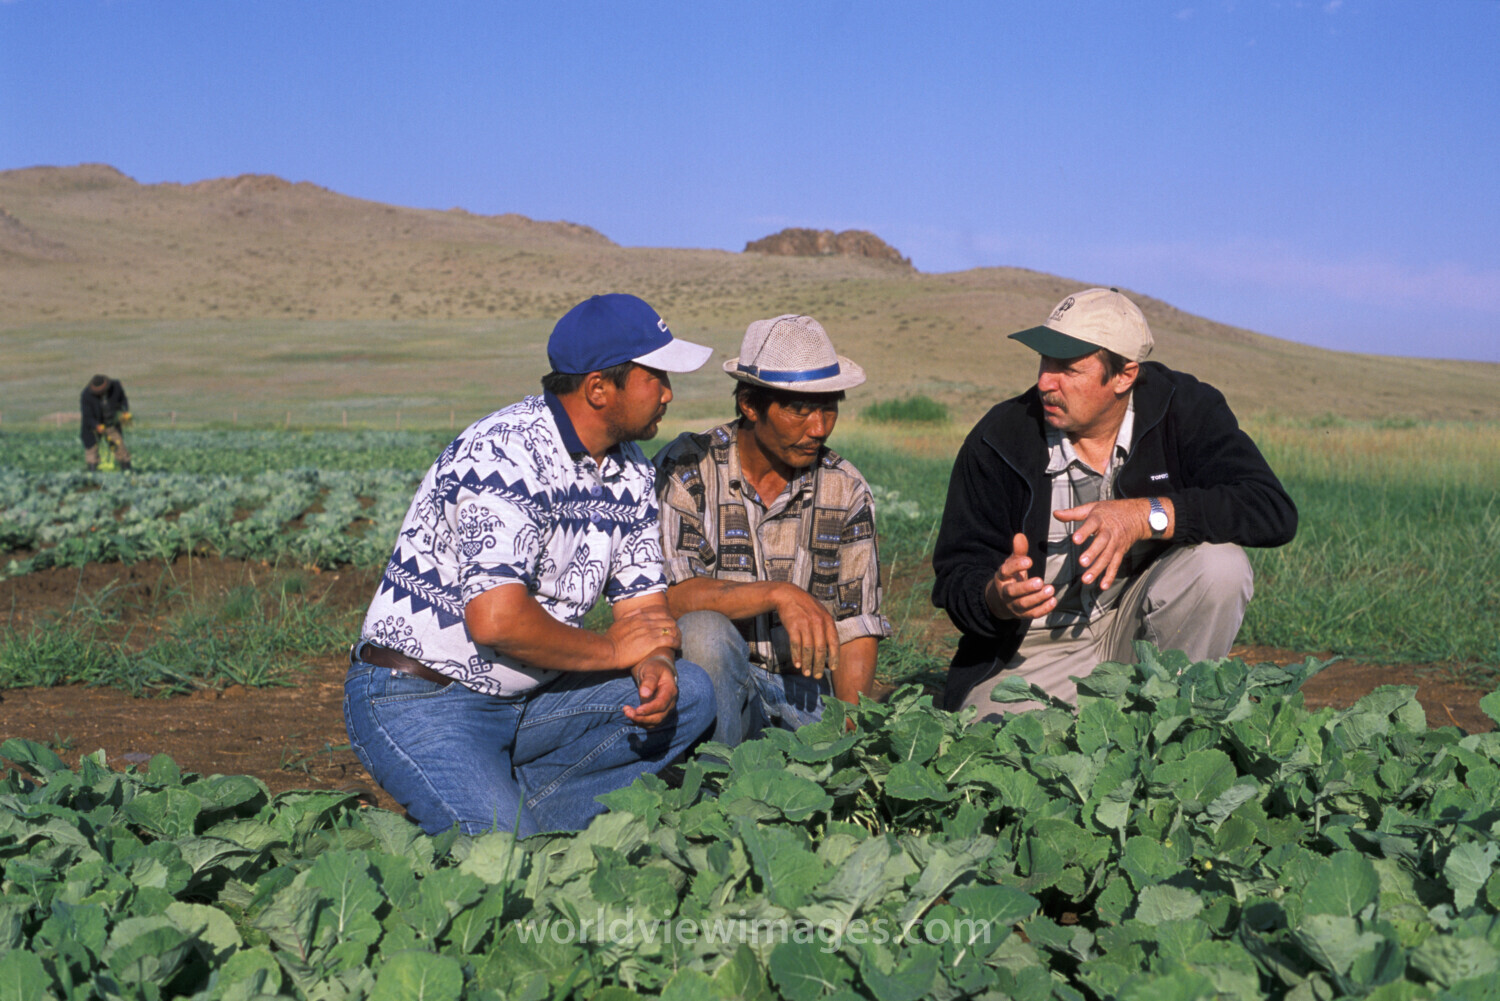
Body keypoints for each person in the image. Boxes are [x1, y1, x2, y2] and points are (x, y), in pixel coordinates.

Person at [344, 293, 717, 836]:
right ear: (598, 388)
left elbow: (645, 607)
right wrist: (616, 650)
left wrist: (653, 663)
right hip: (424, 696)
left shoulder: (630, 469)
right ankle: (506, 820)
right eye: (654, 377)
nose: (668, 393)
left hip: (529, 700)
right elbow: (497, 621)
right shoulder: (503, 454)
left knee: (691, 692)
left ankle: (515, 813)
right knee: (506, 867)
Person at [931, 288, 1297, 718]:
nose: (1046, 382)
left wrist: (1147, 515)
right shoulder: (1001, 439)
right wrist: (995, 597)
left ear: (1124, 375)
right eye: (1045, 362)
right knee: (991, 746)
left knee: (1221, 567)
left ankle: (1171, 719)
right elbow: (955, 575)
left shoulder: (1184, 409)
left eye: (1068, 368)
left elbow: (1271, 510)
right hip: (1036, 650)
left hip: (1138, 632)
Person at [653, 314, 891, 746]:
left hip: (806, 692)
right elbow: (672, 596)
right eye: (799, 409)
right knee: (705, 633)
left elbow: (857, 623)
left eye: (828, 407)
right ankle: (716, 790)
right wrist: (780, 594)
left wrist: (850, 736)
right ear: (749, 404)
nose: (818, 428)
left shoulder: (846, 487)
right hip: (716, 680)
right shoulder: (688, 469)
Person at [81, 374, 131, 471]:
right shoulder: (86, 395)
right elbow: (87, 415)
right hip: (93, 427)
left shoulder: (115, 386)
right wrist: (96, 426)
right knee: (92, 451)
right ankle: (92, 474)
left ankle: (127, 470)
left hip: (111, 424)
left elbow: (123, 399)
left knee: (119, 448)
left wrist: (125, 411)